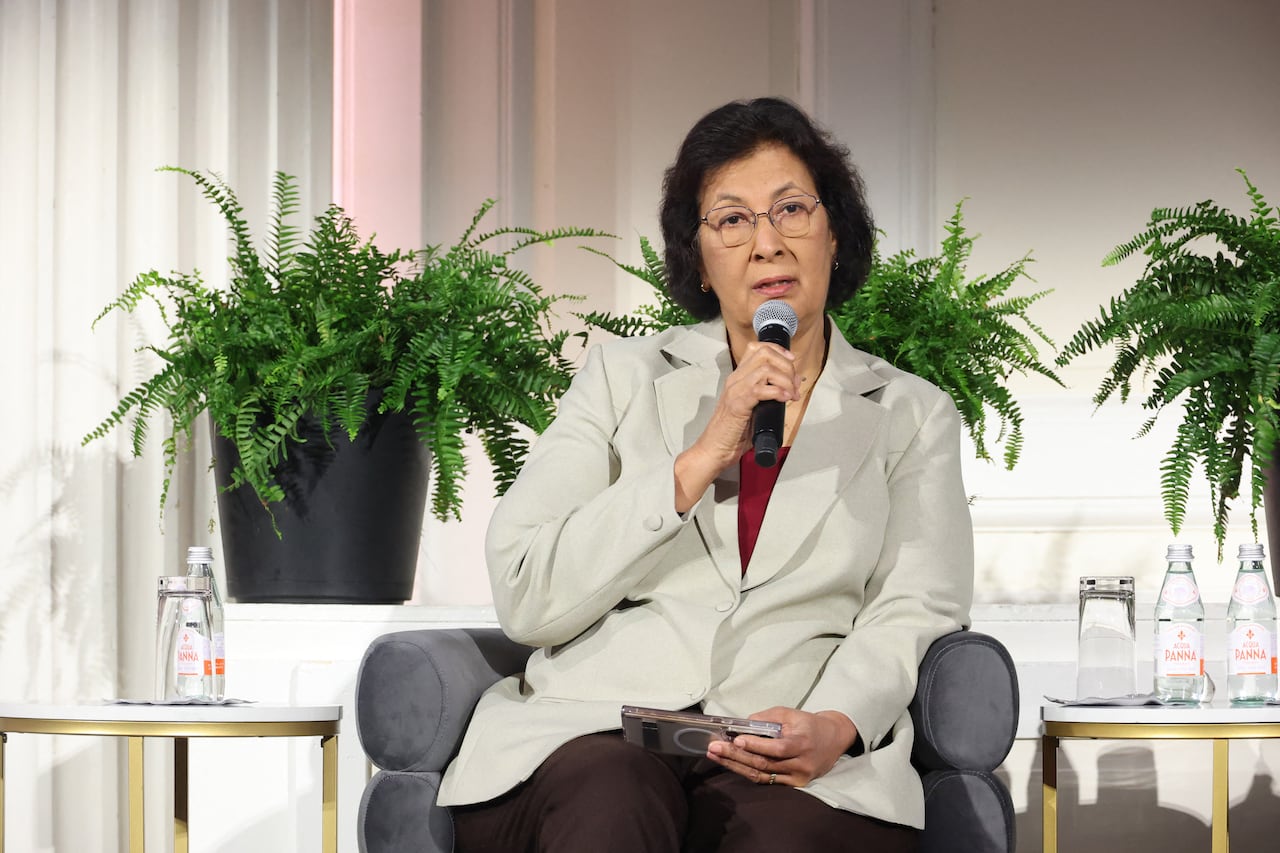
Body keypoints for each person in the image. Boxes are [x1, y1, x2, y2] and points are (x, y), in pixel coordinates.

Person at [437, 96, 974, 853]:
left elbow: (916, 603)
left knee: (788, 838)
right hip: (600, 728)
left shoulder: (911, 413)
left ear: (834, 233)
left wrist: (835, 723)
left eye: (791, 209)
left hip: (786, 746)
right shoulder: (623, 378)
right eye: (732, 219)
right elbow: (526, 589)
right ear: (699, 256)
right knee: (612, 800)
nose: (767, 244)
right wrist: (696, 460)